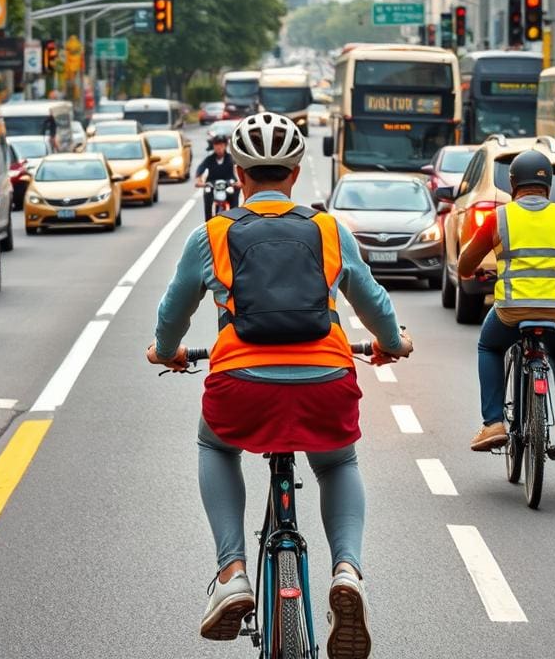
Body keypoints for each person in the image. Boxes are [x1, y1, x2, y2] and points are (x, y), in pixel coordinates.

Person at [147, 112, 413, 658]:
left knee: (214, 446)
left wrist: (167, 350)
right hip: (326, 381)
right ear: (295, 173)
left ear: (239, 175)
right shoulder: (327, 229)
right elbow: (373, 304)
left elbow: (173, 311)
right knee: (337, 462)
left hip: (240, 385)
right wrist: (393, 342)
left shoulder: (212, 234)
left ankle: (232, 573)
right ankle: (347, 571)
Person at [458, 149, 555, 453]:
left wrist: (476, 269)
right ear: (549, 184)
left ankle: (493, 424)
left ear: (513, 183)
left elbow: (464, 266)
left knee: (488, 347)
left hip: (511, 313)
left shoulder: (498, 218)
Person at [194, 134, 239, 221]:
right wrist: (199, 181)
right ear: (213, 146)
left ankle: (235, 221)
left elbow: (238, 169)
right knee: (207, 194)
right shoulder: (209, 159)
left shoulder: (231, 158)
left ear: (225, 146)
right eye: (216, 145)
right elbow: (200, 170)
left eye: (221, 145)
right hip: (212, 184)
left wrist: (239, 182)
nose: (219, 147)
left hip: (229, 183)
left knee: (234, 193)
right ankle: (207, 223)